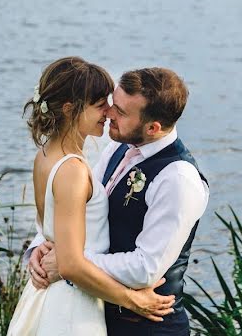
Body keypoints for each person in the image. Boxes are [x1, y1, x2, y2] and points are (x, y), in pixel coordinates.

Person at [29, 67, 209, 336]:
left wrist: (69, 264)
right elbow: (77, 210)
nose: (110, 113)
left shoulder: (178, 179)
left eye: (121, 112)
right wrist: (37, 251)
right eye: (113, 104)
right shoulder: (118, 146)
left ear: (153, 127)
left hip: (145, 327)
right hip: (94, 313)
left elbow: (144, 269)